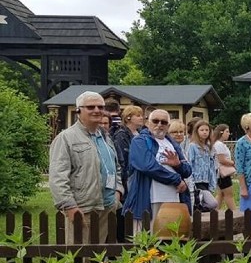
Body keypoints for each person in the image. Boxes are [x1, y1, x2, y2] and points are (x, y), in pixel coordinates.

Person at [49, 91, 124, 244]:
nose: (97, 110)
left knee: (98, 258)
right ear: (78, 111)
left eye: (100, 106)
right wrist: (68, 206)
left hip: (106, 207)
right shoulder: (66, 138)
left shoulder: (104, 136)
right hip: (83, 209)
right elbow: (58, 176)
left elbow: (115, 168)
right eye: (90, 107)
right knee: (78, 259)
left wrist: (117, 192)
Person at [123, 109, 192, 233]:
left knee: (170, 239)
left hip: (174, 199)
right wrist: (176, 180)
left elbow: (187, 170)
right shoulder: (139, 141)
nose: (159, 124)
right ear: (148, 123)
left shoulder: (173, 143)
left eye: (164, 122)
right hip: (148, 199)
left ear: (168, 126)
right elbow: (147, 166)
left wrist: (178, 165)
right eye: (155, 121)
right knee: (146, 241)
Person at [112, 105, 144, 241]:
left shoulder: (141, 134)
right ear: (128, 117)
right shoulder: (122, 135)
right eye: (138, 115)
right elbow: (122, 160)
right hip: (128, 178)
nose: (141, 118)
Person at [185, 120, 218, 211]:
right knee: (213, 203)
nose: (204, 132)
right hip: (197, 181)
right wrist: (191, 183)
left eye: (206, 130)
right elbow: (190, 164)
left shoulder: (209, 147)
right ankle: (197, 208)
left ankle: (198, 211)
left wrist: (213, 182)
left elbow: (212, 167)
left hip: (207, 181)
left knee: (206, 204)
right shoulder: (193, 146)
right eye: (202, 130)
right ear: (197, 131)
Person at [211, 124, 238, 213]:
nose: (229, 134)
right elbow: (222, 159)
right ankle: (235, 213)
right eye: (227, 131)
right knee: (228, 194)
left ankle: (213, 212)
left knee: (221, 194)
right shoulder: (219, 145)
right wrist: (233, 163)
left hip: (220, 174)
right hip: (222, 173)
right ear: (221, 132)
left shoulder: (220, 144)